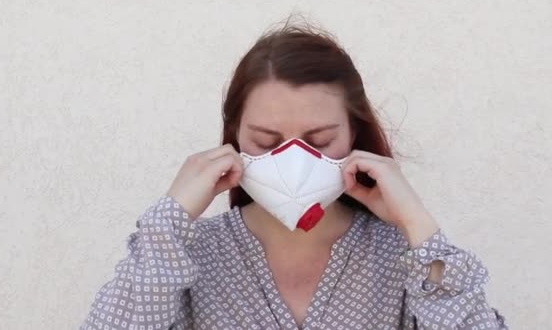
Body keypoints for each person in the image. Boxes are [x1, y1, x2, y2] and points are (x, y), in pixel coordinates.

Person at [79, 18, 508, 329]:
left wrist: (416, 222)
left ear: (354, 134)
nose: (294, 160)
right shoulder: (188, 256)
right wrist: (168, 221)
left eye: (319, 140)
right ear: (233, 138)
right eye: (267, 141)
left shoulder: (401, 258)